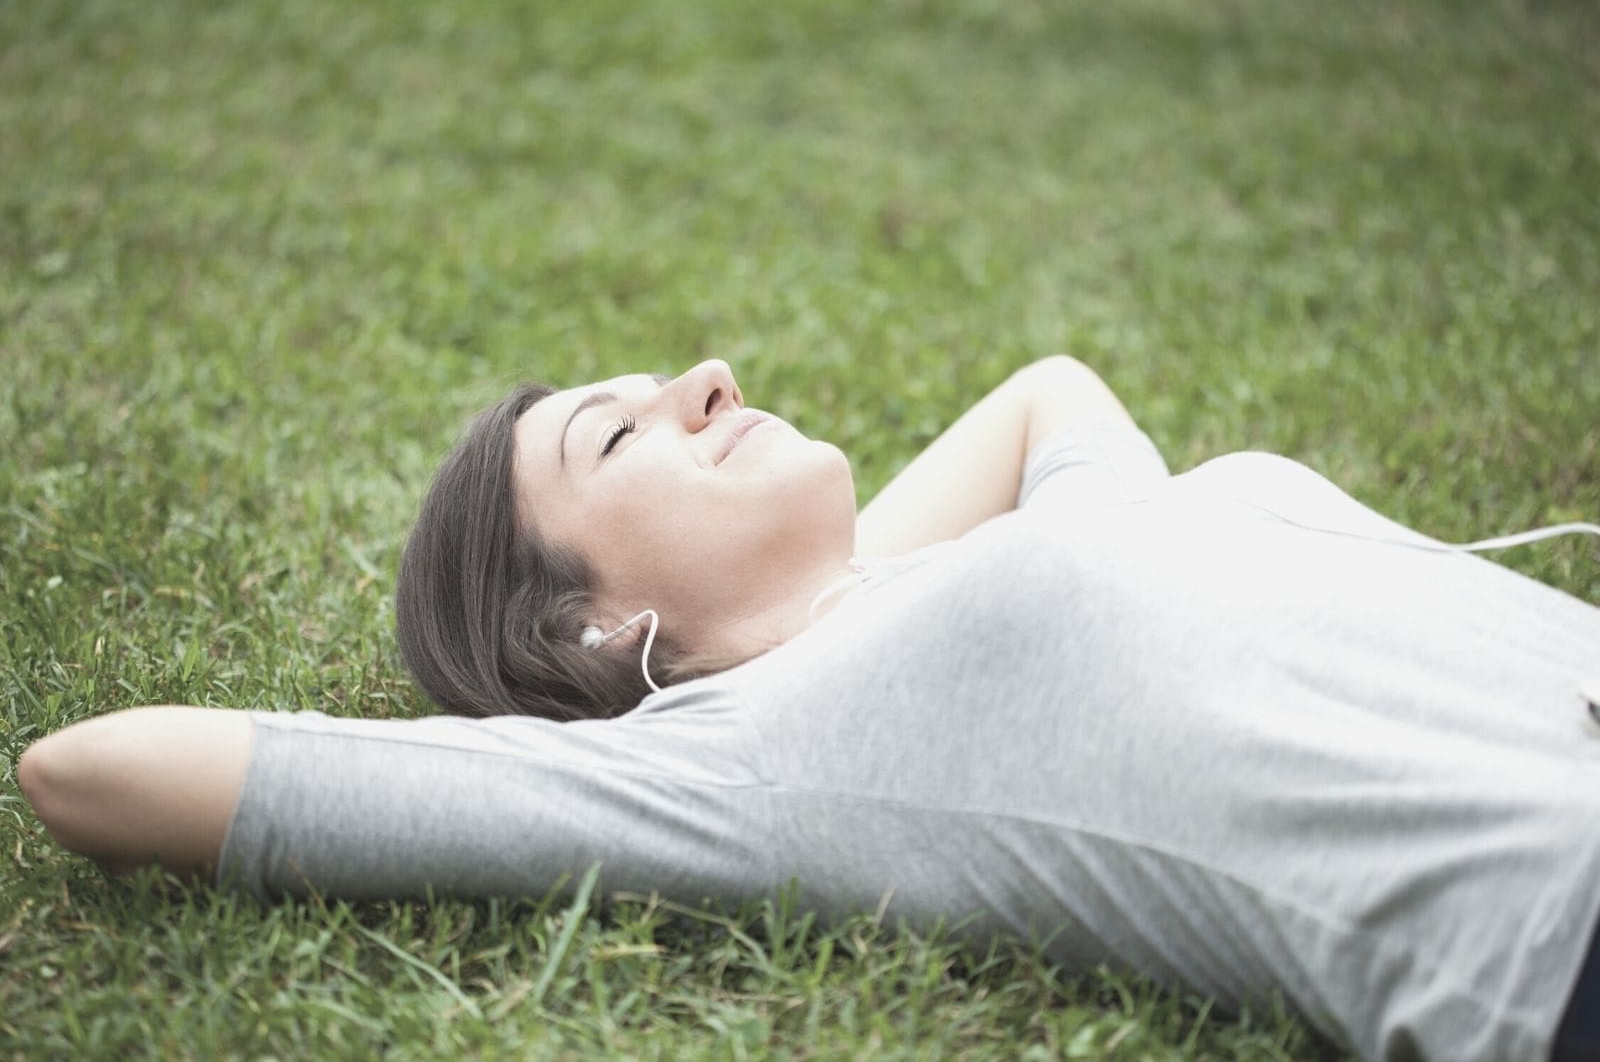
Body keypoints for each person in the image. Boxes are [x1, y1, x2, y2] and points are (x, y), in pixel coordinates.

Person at [16, 357, 1600, 1062]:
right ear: (595, 626)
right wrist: (683, 691)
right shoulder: (753, 760)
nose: (703, 376)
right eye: (619, 438)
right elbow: (88, 772)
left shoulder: (976, 581)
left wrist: (824, 588)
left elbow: (1051, 390)